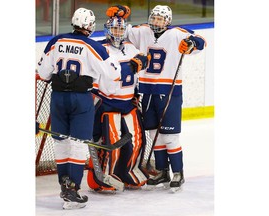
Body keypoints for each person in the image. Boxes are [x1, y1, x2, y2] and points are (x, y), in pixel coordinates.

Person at [106, 5, 206, 192]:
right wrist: (119, 13)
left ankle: (178, 172)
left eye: (161, 19)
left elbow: (200, 40)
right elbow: (120, 29)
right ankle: (162, 171)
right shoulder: (142, 31)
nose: (156, 22)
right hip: (147, 91)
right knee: (154, 135)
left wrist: (192, 43)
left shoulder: (177, 34)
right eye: (154, 18)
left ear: (167, 21)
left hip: (169, 92)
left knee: (170, 137)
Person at [36, 7, 125, 209]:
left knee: (60, 141)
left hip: (58, 97)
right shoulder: (92, 46)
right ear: (90, 26)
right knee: (77, 143)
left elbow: (43, 72)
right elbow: (113, 73)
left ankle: (64, 184)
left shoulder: (56, 41)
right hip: (81, 99)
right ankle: (73, 189)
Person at [87, 16, 150, 192]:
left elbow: (143, 63)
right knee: (111, 142)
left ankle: (129, 171)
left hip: (129, 102)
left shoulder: (131, 48)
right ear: (107, 30)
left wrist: (144, 60)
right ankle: (106, 175)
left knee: (137, 140)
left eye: (121, 29)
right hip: (108, 103)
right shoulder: (100, 48)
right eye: (114, 29)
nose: (117, 33)